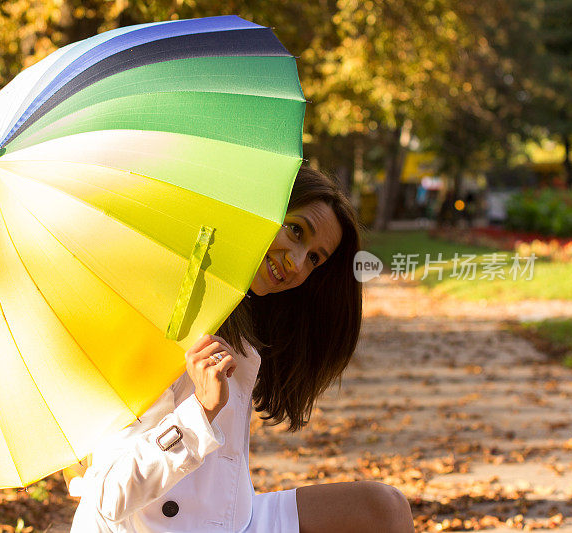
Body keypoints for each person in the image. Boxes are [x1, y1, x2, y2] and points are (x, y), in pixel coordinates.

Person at [70, 164, 415, 532]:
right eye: (295, 231)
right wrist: (199, 412)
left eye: (314, 257)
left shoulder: (238, 314)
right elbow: (107, 495)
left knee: (383, 508)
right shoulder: (161, 313)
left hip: (231, 519)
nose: (297, 264)